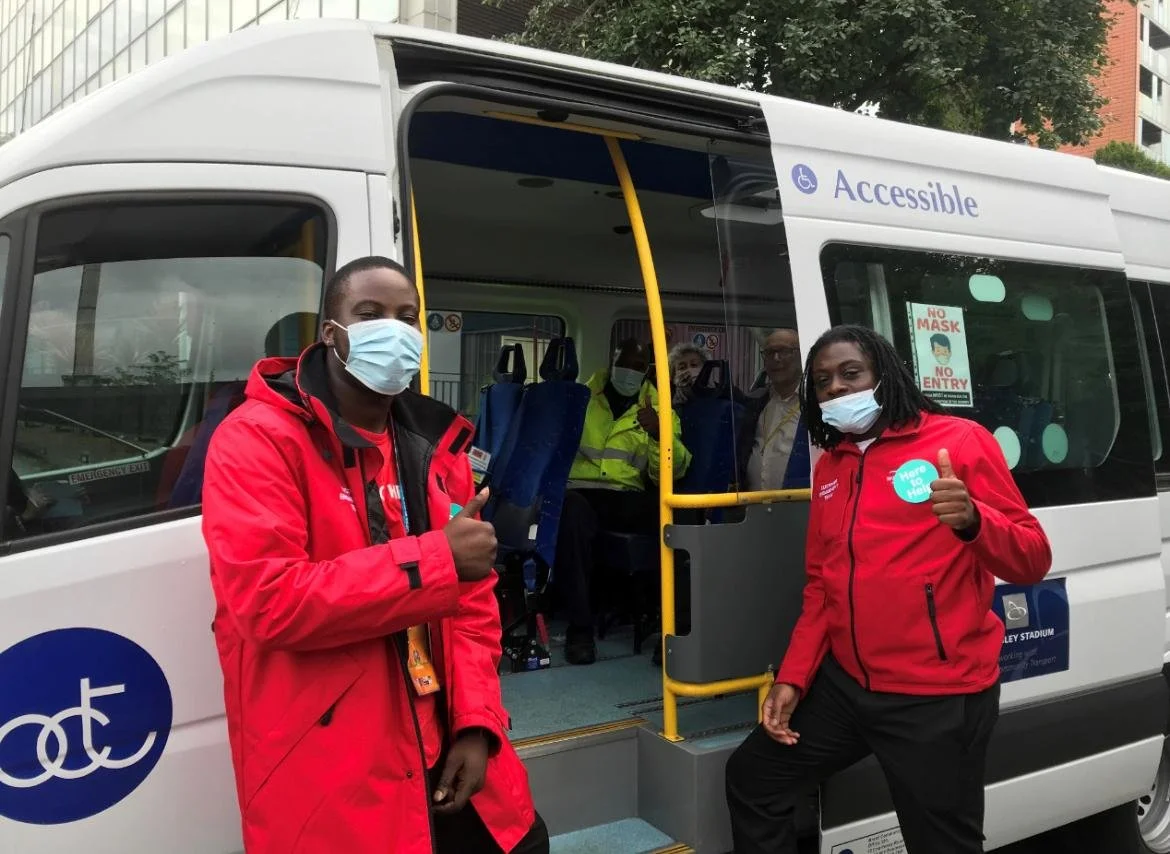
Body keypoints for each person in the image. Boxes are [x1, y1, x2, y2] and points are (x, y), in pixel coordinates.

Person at [201, 256, 547, 854]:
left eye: (407, 317)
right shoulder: (255, 439)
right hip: (338, 768)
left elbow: (472, 607)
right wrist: (437, 558)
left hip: (451, 745)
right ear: (331, 334)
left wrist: (478, 724)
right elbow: (269, 602)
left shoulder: (436, 444)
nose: (394, 330)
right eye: (370, 314)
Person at [724, 324, 1052, 854]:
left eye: (851, 373)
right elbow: (821, 588)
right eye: (823, 380)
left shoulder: (960, 441)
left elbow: (1033, 557)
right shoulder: (832, 465)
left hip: (936, 697)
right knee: (753, 778)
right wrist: (793, 678)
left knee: (941, 843)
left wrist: (974, 521)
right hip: (847, 686)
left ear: (885, 374)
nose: (835, 388)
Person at [554, 338, 692, 665]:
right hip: (582, 493)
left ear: (647, 371)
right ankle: (580, 629)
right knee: (570, 514)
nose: (630, 372)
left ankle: (677, 632)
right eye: (625, 363)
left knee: (682, 523)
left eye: (639, 367)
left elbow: (678, 469)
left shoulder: (659, 408)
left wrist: (660, 434)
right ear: (612, 361)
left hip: (626, 496)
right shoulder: (581, 398)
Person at [739, 328, 810, 491]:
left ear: (802, 355)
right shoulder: (756, 402)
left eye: (784, 351)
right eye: (770, 353)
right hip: (754, 506)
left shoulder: (815, 404)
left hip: (799, 505)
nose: (776, 358)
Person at [668, 342, 707, 406]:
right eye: (682, 367)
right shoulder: (667, 399)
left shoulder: (718, 394)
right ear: (673, 374)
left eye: (694, 365)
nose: (688, 370)